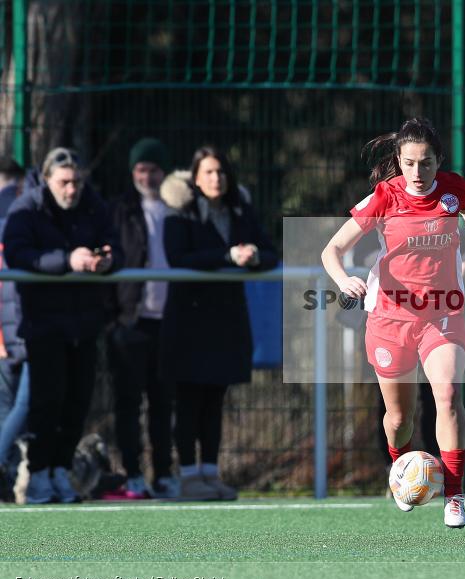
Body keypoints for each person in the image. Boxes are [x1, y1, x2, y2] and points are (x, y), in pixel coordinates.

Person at [321, 117, 465, 528]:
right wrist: (343, 277)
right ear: (398, 161)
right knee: (399, 419)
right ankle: (399, 469)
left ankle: (454, 495)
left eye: (425, 163)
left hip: (443, 314)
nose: (417, 173)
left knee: (448, 393)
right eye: (409, 163)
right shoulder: (384, 196)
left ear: (438, 160)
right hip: (389, 318)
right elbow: (331, 248)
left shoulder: (454, 189)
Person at [2, 147, 124, 504]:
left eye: (77, 182)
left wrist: (106, 260)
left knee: (77, 400)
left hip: (84, 321)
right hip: (43, 323)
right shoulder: (27, 209)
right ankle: (37, 474)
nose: (72, 190)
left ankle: (59, 470)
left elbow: (115, 244)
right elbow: (19, 254)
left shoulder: (92, 205)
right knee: (45, 402)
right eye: (65, 182)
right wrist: (67, 261)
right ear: (48, 179)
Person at [160, 146, 278, 501]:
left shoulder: (240, 210)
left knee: (215, 399)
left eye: (222, 172)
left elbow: (270, 252)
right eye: (209, 172)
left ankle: (210, 473)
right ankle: (187, 476)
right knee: (189, 399)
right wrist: (226, 257)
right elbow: (177, 256)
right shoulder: (179, 213)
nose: (216, 178)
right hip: (189, 319)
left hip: (227, 318)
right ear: (195, 177)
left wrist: (255, 257)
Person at [104, 138, 178, 500]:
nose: (146, 176)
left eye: (153, 169)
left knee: (163, 404)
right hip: (130, 321)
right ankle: (132, 473)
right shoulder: (118, 209)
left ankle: (164, 473)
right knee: (128, 403)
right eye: (140, 169)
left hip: (169, 322)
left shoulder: (179, 208)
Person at [0, 157, 29, 500]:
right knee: (23, 405)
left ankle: (9, 479)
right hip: (18, 328)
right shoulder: (19, 214)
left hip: (11, 330)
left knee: (10, 406)